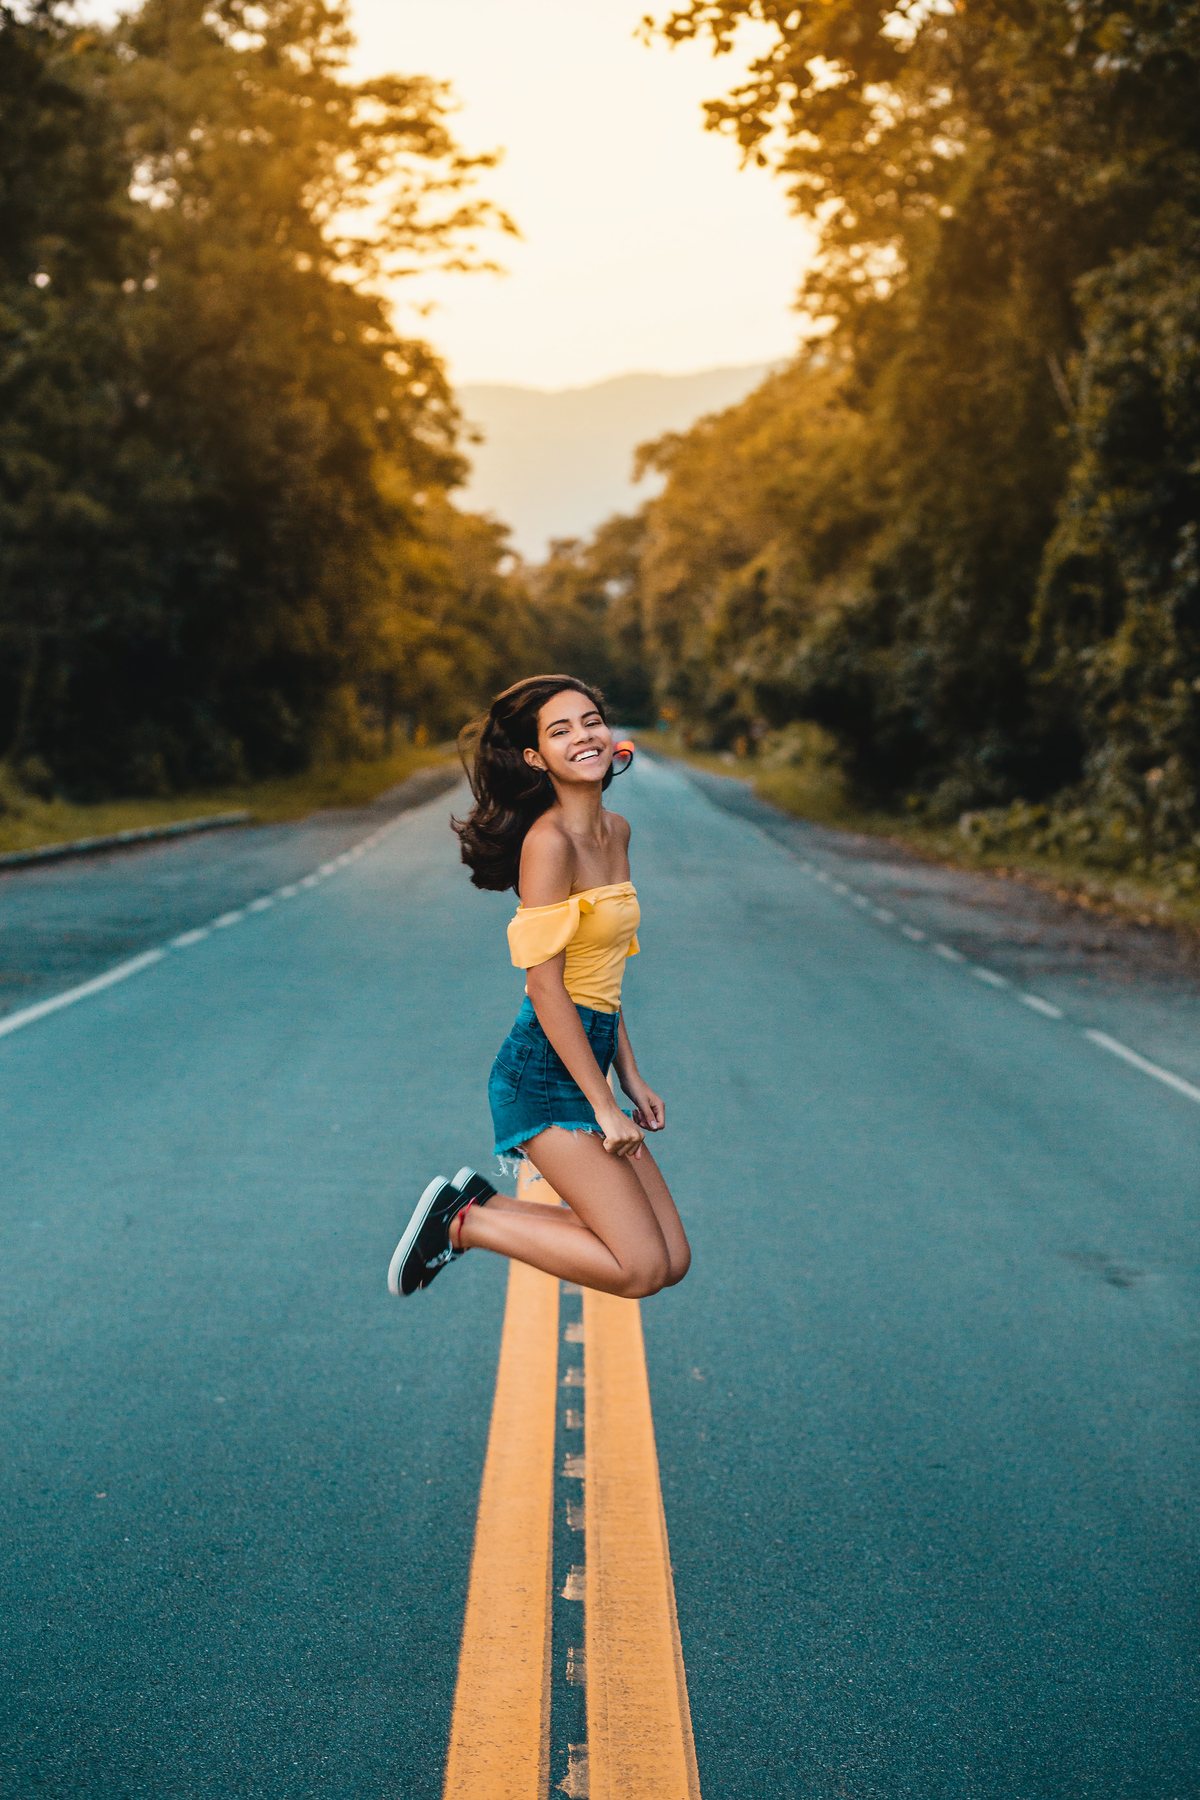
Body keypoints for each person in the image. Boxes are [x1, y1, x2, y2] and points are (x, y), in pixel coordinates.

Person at [387, 674, 691, 1301]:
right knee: (637, 1269)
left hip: (588, 1052)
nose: (583, 736)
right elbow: (547, 989)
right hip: (544, 1073)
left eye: (590, 721)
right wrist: (602, 1103)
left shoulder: (617, 832)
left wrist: (629, 1076)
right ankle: (466, 1225)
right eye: (560, 731)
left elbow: (602, 971)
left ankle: (472, 1209)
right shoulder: (548, 845)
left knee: (669, 1259)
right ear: (536, 757)